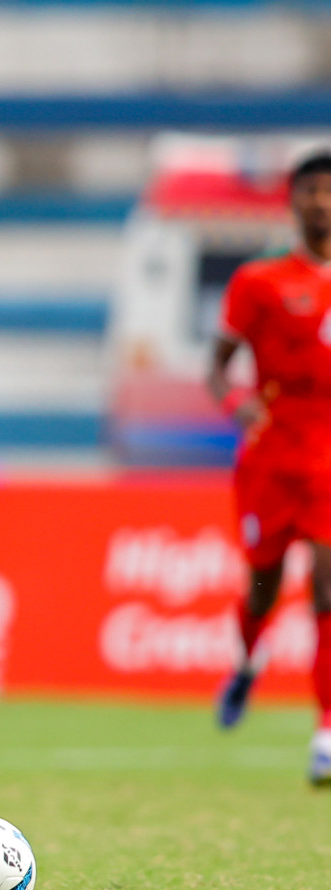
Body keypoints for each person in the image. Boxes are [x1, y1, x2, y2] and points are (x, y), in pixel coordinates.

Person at [211, 149, 331, 783]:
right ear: (292, 202)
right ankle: (247, 664)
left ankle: (326, 731)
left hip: (329, 462)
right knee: (263, 587)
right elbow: (217, 366)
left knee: (327, 589)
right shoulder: (259, 282)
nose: (320, 202)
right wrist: (237, 403)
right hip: (271, 458)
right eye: (310, 191)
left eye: (328, 191)